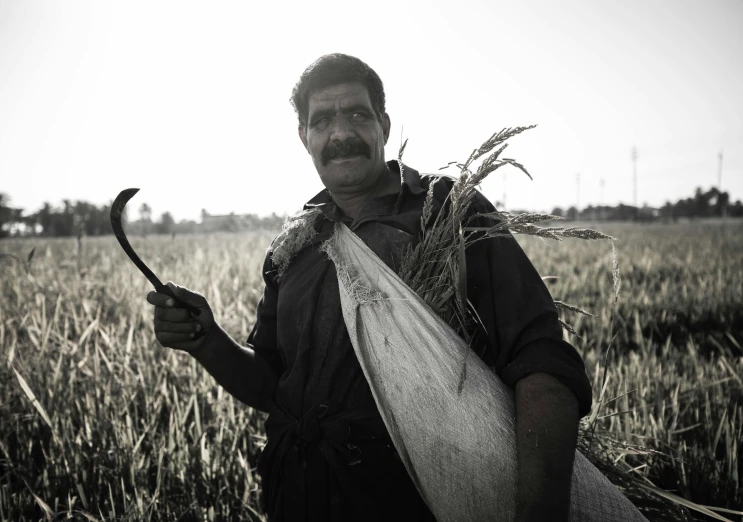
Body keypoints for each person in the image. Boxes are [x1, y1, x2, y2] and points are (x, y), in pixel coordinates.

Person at [147, 53, 593, 522]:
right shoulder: (295, 244)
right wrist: (206, 341)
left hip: (418, 500)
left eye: (357, 115)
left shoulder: (445, 212)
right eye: (322, 121)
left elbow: (541, 358)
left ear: (383, 123)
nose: (340, 134)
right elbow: (275, 384)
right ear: (305, 137)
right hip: (300, 497)